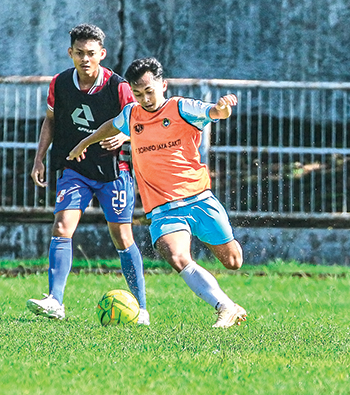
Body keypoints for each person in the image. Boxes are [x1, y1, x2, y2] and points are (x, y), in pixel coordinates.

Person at [67, 57, 247, 328]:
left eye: (149, 91)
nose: (145, 99)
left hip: (198, 199)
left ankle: (227, 295)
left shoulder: (181, 107)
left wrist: (222, 109)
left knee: (233, 261)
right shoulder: (132, 114)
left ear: (163, 85)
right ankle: (225, 306)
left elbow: (214, 112)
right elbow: (112, 125)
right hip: (163, 208)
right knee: (175, 255)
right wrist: (85, 142)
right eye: (138, 93)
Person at [27, 24, 148, 324]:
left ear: (102, 54)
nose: (85, 59)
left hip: (113, 170)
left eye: (91, 53)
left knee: (122, 237)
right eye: (79, 53)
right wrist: (39, 159)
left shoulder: (118, 87)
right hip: (75, 167)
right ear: (70, 53)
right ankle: (55, 301)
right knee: (61, 228)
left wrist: (124, 136)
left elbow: (142, 124)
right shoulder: (60, 84)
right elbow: (50, 121)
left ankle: (142, 308)